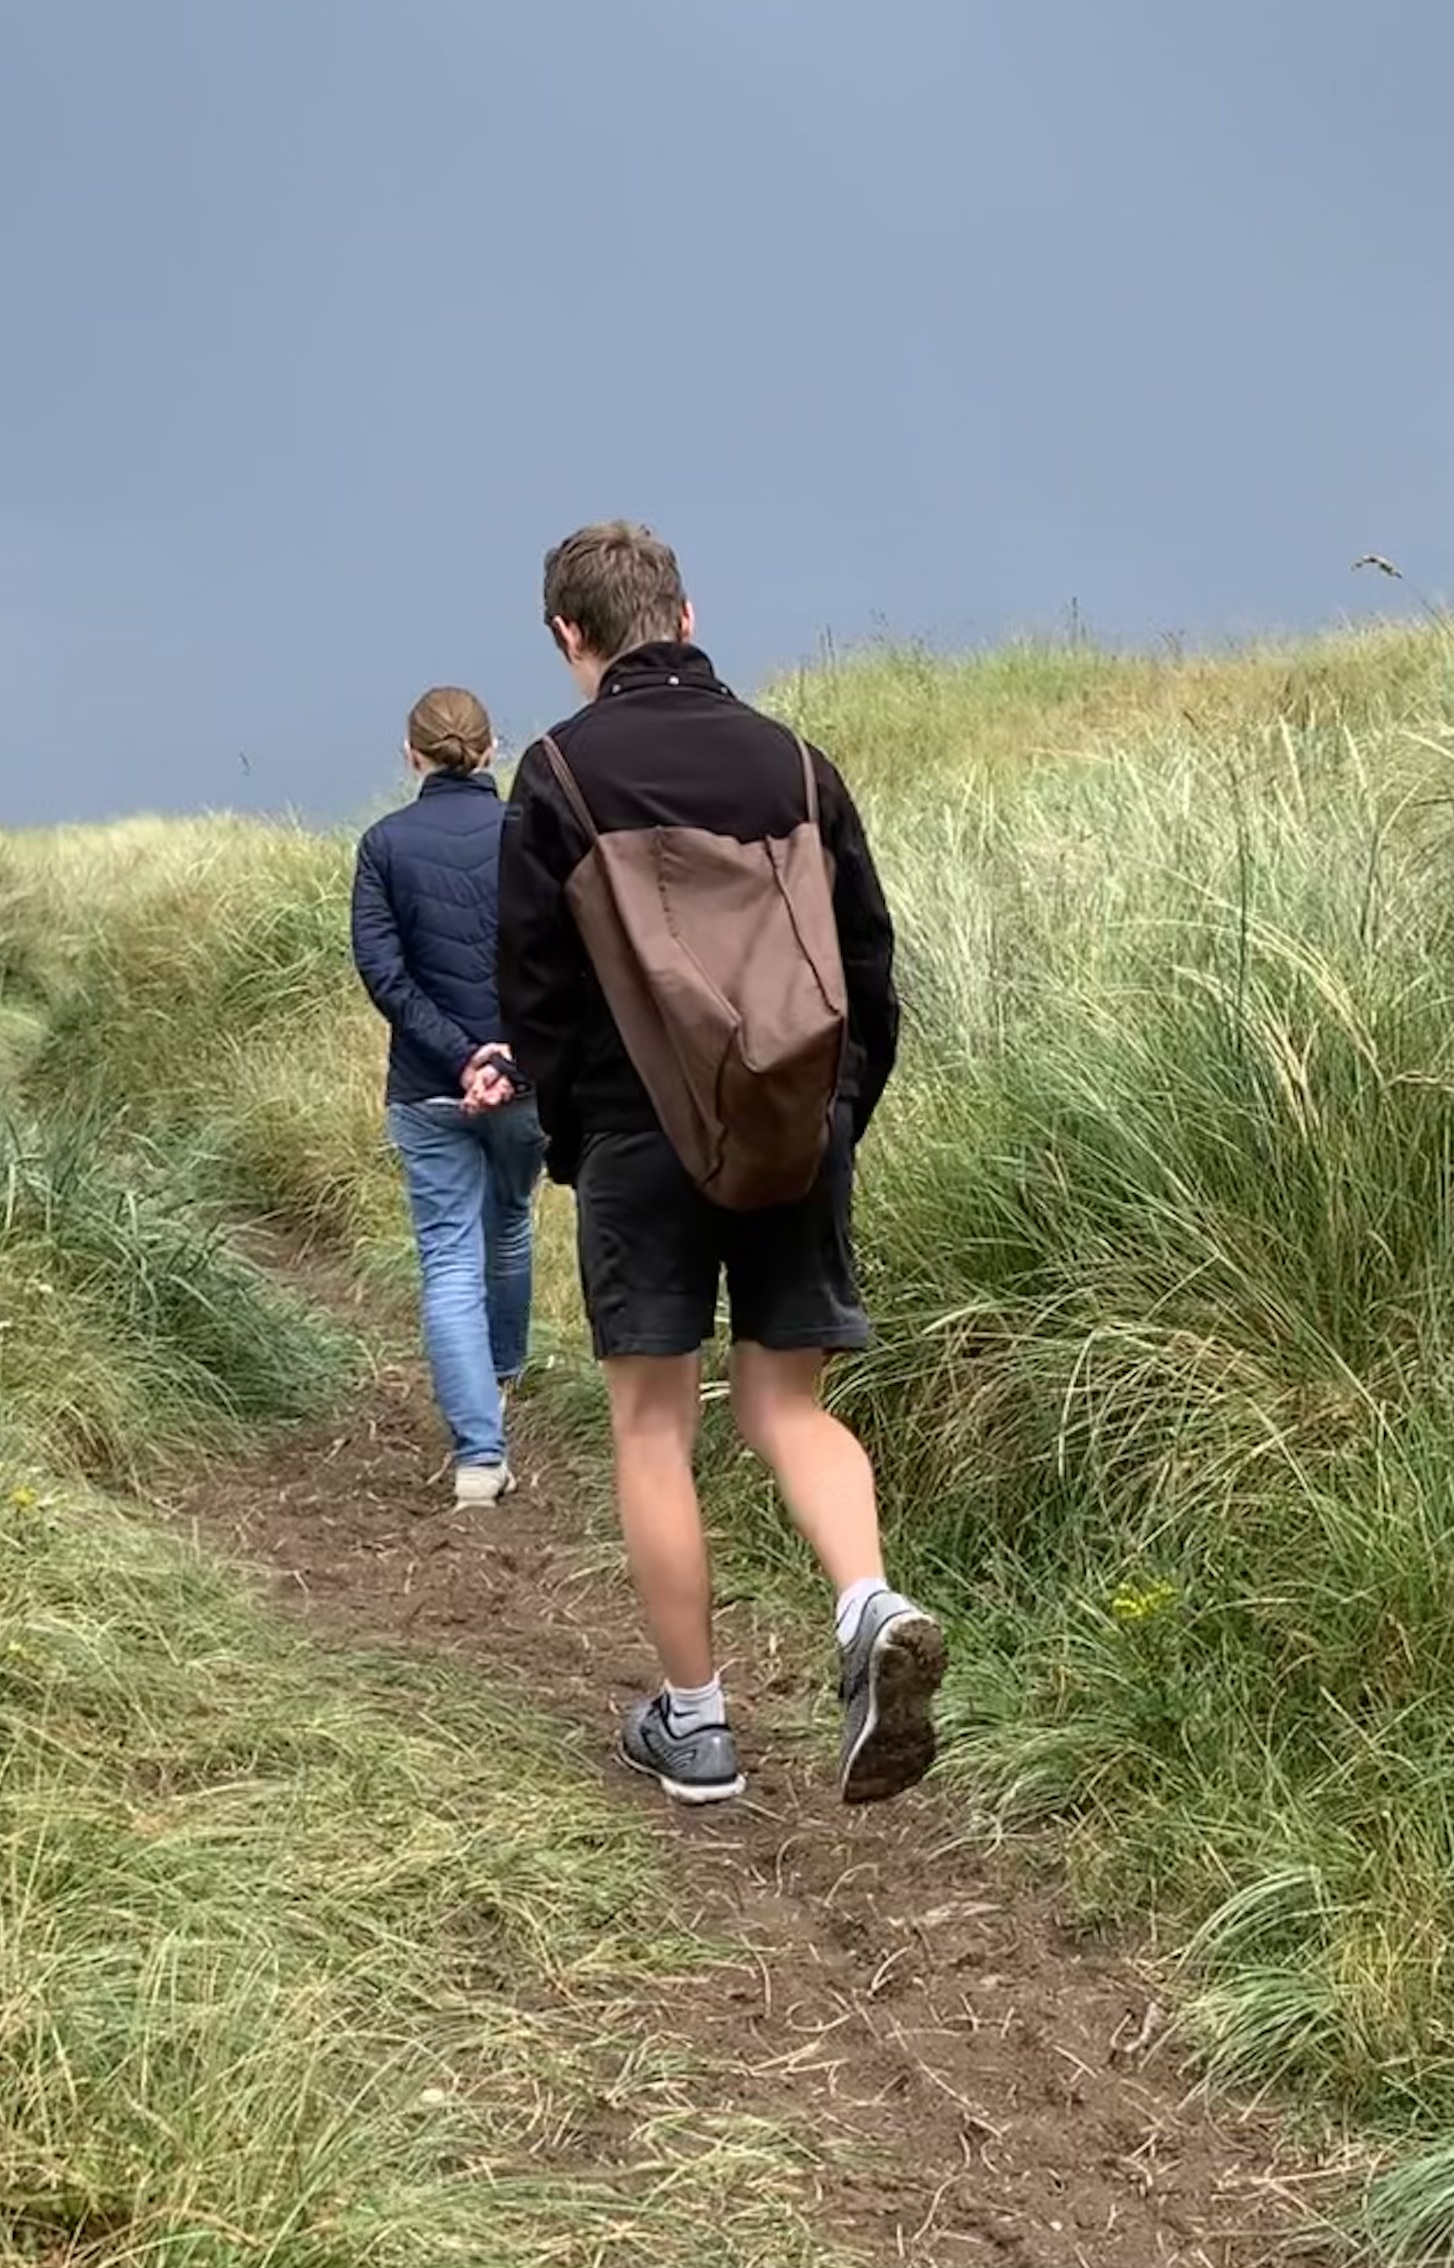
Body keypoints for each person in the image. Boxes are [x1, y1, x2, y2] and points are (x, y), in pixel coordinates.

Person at [494, 520, 943, 1808]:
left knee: (653, 1424)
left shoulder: (559, 775)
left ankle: (695, 1729)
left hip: (640, 1135)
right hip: (798, 1126)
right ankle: (867, 1603)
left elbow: (535, 992)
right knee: (787, 1405)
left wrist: (576, 1139)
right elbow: (868, 971)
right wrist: (835, 1113)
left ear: (568, 638)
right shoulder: (798, 766)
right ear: (687, 616)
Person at [351, 685, 546, 1510]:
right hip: (530, 1086)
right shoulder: (535, 836)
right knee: (509, 1223)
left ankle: (477, 1454)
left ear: (412, 756)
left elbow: (382, 973)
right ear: (492, 748)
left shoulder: (384, 844)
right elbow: (572, 962)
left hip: (427, 1090)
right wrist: (510, 1061)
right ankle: (499, 1377)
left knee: (448, 1262)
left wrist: (462, 1056)